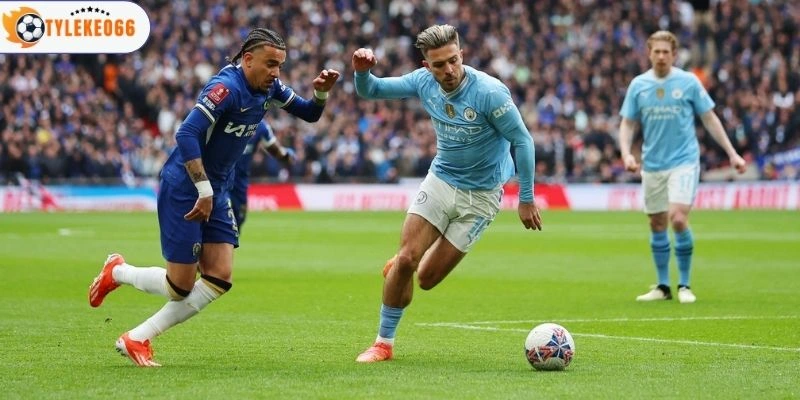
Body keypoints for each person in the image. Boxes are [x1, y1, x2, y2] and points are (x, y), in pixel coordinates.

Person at [87, 28, 340, 366]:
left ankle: (137, 337)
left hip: (216, 189)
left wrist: (321, 94)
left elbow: (310, 113)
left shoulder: (269, 88)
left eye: (280, 65)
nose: (276, 73)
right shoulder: (226, 89)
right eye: (270, 64)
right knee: (179, 286)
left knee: (219, 276)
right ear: (248, 60)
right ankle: (117, 271)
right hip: (186, 187)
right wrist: (203, 189)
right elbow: (186, 132)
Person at [351, 24, 543, 363]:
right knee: (409, 257)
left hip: (481, 197)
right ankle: (383, 343)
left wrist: (525, 197)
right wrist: (362, 73)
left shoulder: (489, 92)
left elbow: (522, 140)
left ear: (461, 55)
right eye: (439, 64)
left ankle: (400, 267)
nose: (449, 70)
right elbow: (372, 90)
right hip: (441, 181)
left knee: (425, 278)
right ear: (427, 66)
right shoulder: (423, 83)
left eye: (453, 60)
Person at [618, 31, 746, 304]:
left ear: (674, 55)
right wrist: (626, 154)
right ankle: (663, 286)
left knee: (677, 218)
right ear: (649, 53)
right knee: (656, 222)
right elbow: (628, 123)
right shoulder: (638, 85)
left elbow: (709, 118)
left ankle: (684, 284)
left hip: (684, 162)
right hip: (652, 164)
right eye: (657, 51)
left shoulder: (688, 82)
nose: (662, 56)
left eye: (666, 52)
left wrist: (732, 154)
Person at [230, 120, 294, 230]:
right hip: (219, 179)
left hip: (240, 183)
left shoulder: (261, 127)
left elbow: (276, 150)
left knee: (239, 220)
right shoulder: (223, 118)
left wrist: (286, 156)